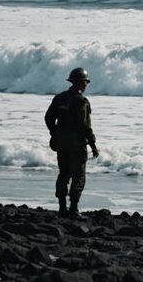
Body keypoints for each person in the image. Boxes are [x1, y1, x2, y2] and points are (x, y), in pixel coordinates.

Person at [45, 67, 99, 218]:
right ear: (81, 83)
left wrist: (55, 133)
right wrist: (93, 145)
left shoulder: (60, 98)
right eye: (85, 82)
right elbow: (85, 126)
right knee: (79, 175)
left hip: (61, 142)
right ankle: (73, 209)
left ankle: (62, 207)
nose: (86, 85)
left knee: (63, 173)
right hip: (77, 143)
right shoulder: (82, 102)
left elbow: (49, 118)